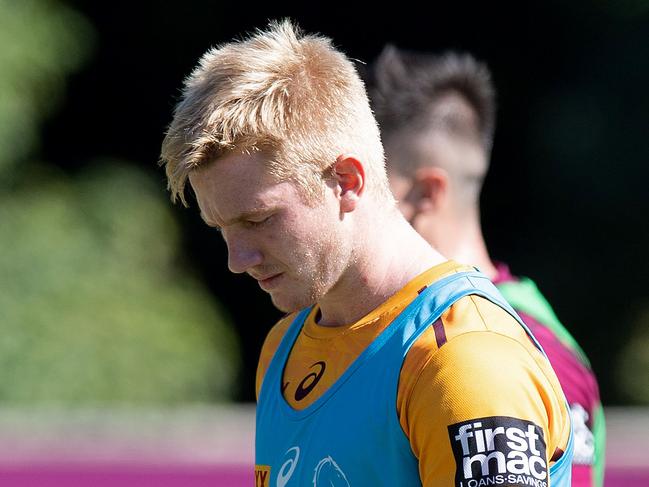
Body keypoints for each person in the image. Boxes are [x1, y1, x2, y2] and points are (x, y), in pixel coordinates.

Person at [160, 21, 573, 487]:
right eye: (221, 228)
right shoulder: (283, 348)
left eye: (258, 220)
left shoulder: (464, 361)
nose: (237, 258)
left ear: (347, 181)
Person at [367, 46, 603, 487]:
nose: (347, 202)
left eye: (365, 184)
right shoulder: (401, 323)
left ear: (427, 192)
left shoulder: (520, 350)